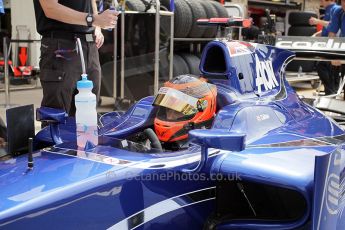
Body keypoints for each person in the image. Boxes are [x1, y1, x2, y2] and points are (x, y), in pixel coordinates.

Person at [33, 0, 119, 116]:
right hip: (61, 44)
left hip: (88, 43)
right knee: (58, 115)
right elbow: (50, 8)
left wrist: (96, 26)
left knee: (88, 115)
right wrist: (93, 20)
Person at [152, 75, 217, 150]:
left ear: (201, 111)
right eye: (168, 109)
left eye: (177, 111)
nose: (169, 117)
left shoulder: (213, 145)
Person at [309, 0, 339, 95]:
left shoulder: (335, 9)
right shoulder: (328, 10)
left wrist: (317, 21)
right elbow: (327, 29)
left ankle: (331, 91)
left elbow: (332, 25)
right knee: (325, 66)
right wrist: (315, 35)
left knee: (323, 66)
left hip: (334, 43)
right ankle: (330, 91)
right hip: (327, 43)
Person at [327, 0, 345, 96]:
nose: (344, 4)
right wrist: (332, 53)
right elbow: (332, 35)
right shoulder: (339, 12)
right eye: (343, 1)